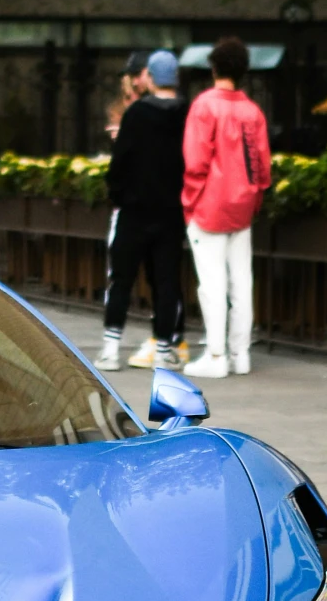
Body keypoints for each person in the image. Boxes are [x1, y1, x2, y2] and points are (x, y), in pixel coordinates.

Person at [181, 37, 271, 379]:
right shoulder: (253, 111)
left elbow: (195, 161)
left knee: (212, 283)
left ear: (214, 68)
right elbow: (263, 168)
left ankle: (216, 355)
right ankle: (240, 353)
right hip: (243, 207)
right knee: (241, 281)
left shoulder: (204, 106)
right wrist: (254, 200)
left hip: (210, 206)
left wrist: (189, 203)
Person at [96, 51, 187, 372]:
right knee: (165, 280)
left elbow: (120, 161)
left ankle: (110, 347)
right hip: (171, 210)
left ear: (151, 78)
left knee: (121, 278)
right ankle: (164, 348)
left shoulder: (136, 114)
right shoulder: (186, 113)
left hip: (134, 209)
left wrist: (118, 195)